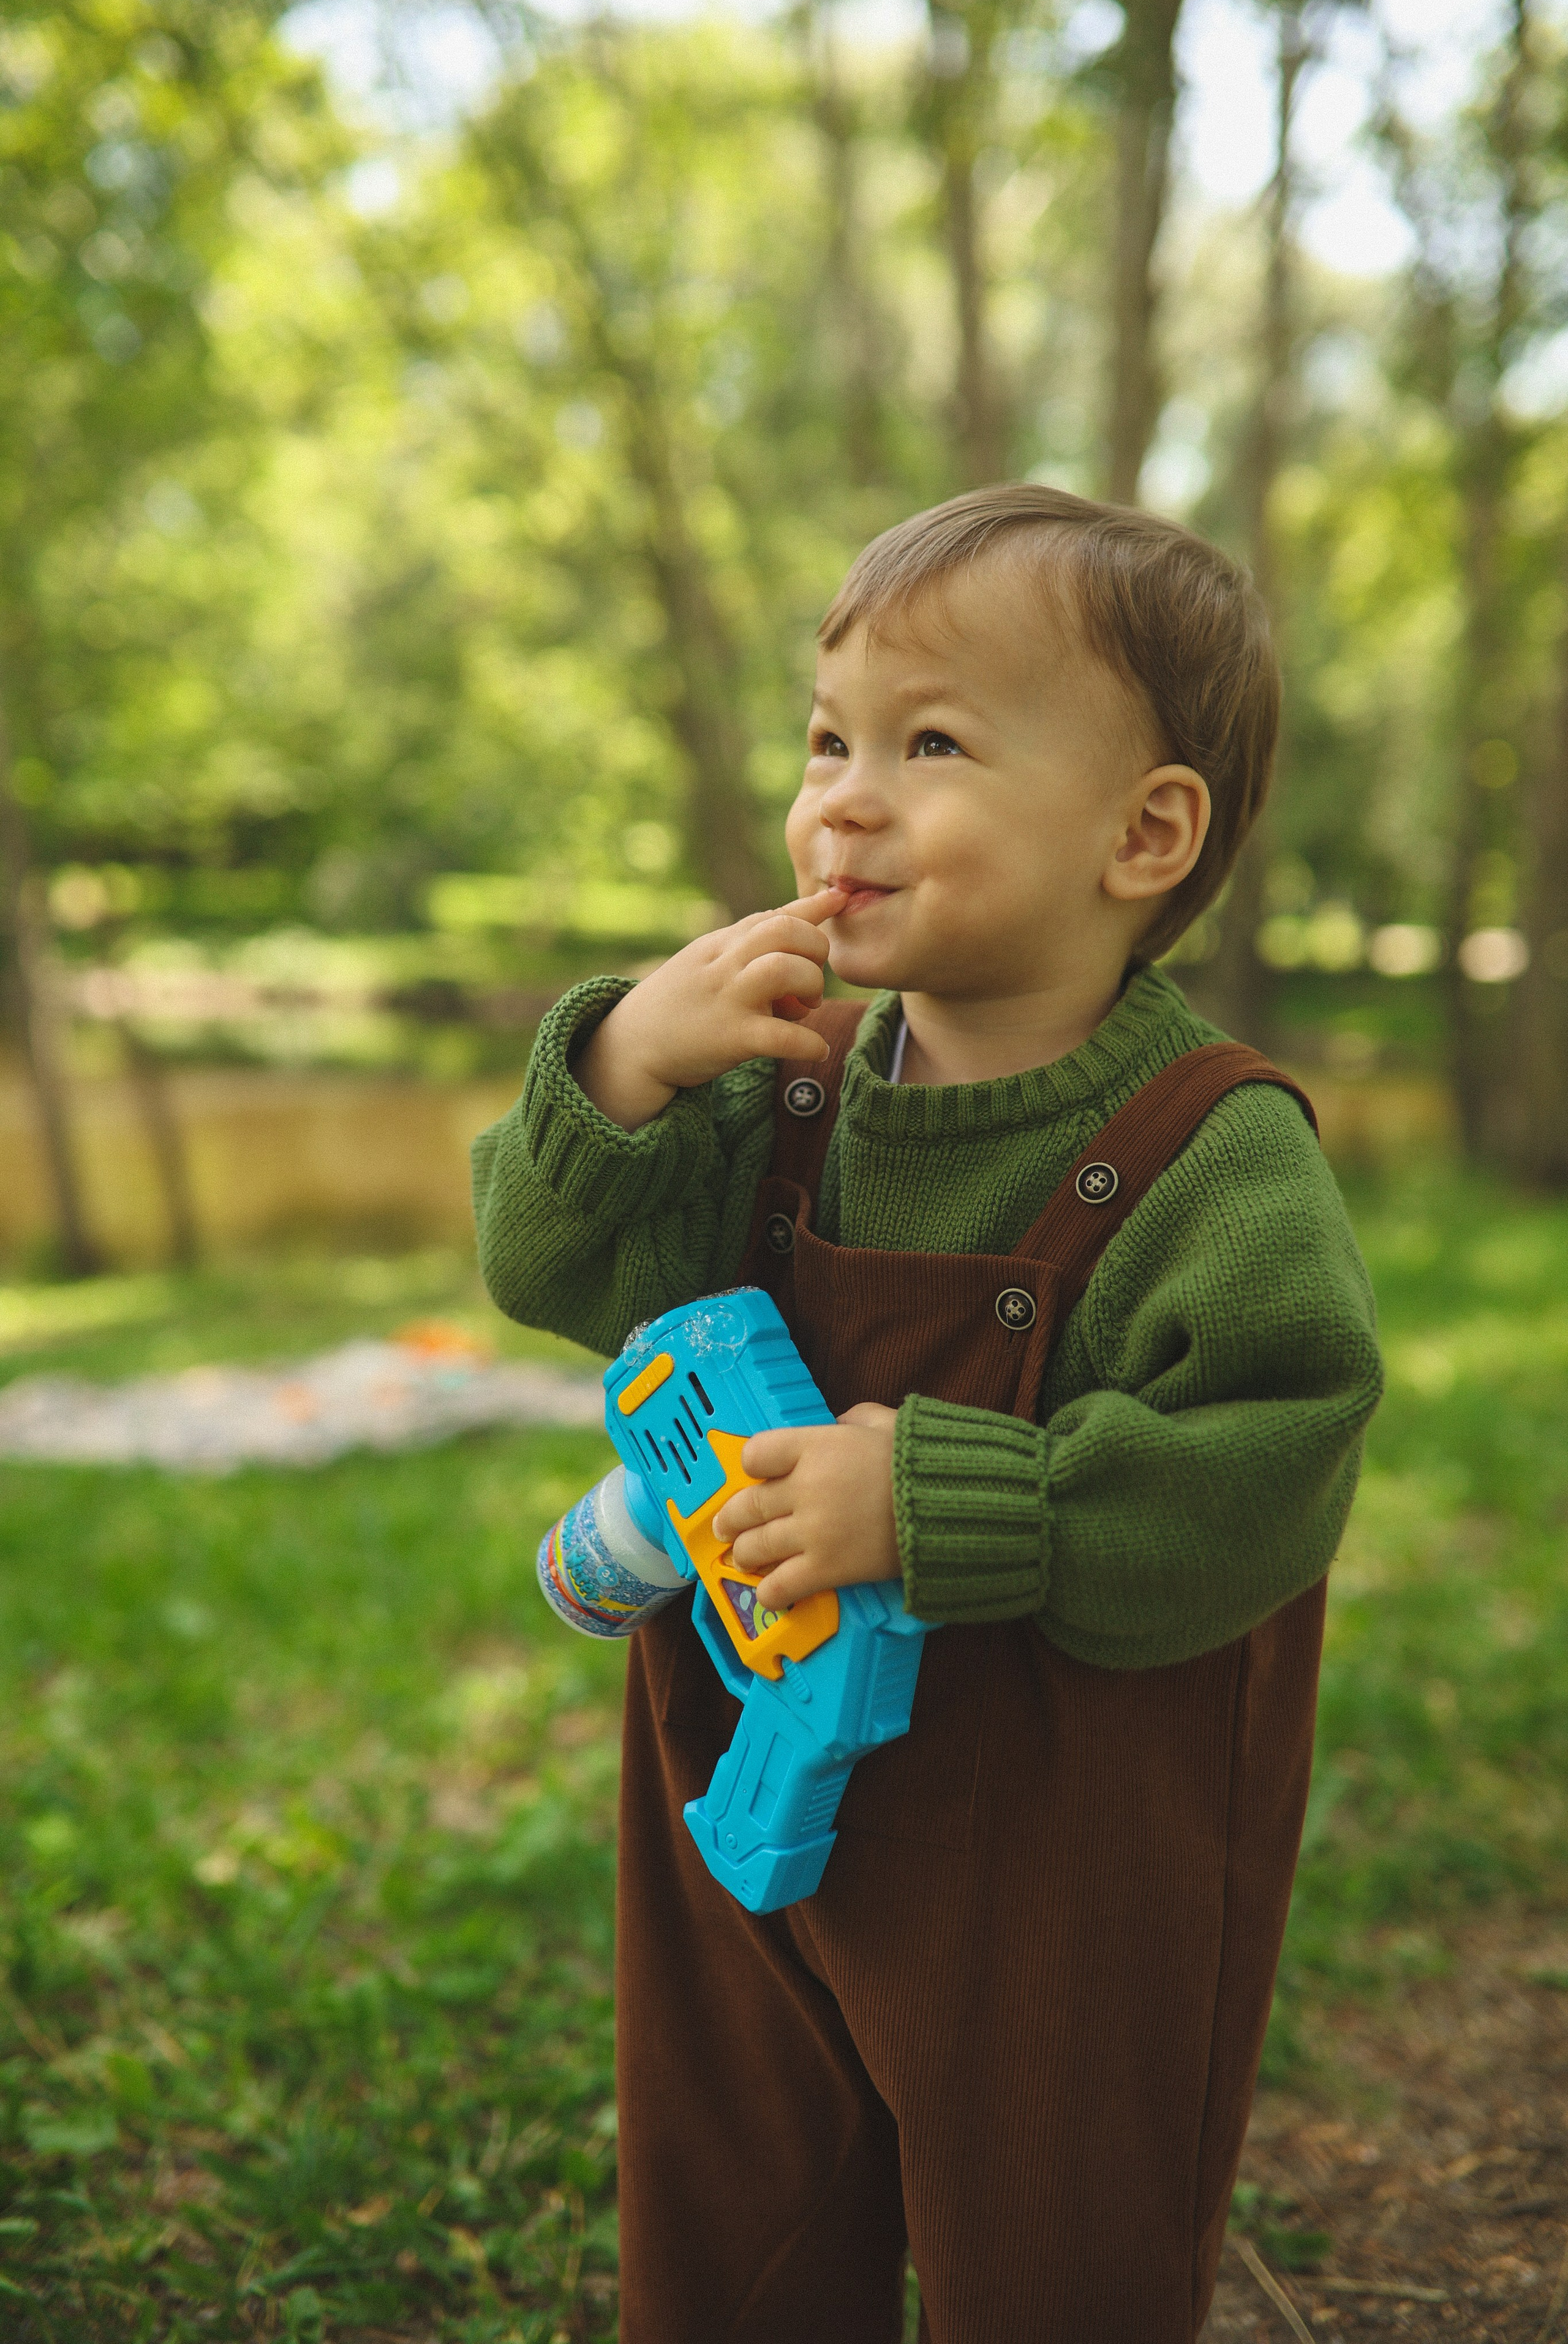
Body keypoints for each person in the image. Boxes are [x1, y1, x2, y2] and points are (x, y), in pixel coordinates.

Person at [472, 483, 1383, 2343]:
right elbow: (546, 1270)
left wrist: (955, 1503)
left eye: (933, 741)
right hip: (744, 1792)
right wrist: (626, 1068)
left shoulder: (1210, 1154)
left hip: (1062, 1851)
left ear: (1146, 833)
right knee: (736, 2217)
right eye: (829, 740)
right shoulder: (779, 1079)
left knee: (1054, 2241)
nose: (843, 798)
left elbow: (1271, 1467)